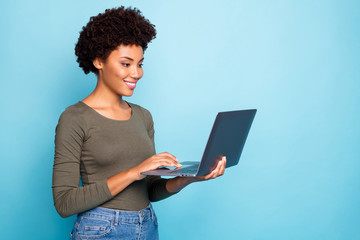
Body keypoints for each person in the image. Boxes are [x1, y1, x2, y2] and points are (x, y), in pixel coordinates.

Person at [52, 6, 226, 240]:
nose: (137, 73)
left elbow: (151, 190)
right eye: (126, 64)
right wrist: (135, 172)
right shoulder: (74, 118)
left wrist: (189, 177)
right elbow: (64, 202)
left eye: (140, 64)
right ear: (98, 61)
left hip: (147, 225)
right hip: (100, 229)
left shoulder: (143, 116)